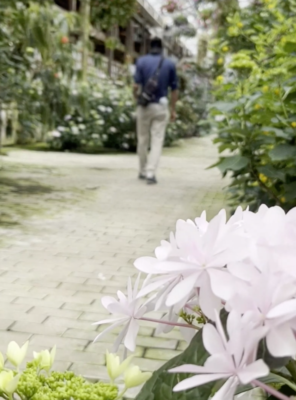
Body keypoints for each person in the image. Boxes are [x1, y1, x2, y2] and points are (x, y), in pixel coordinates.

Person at [133, 37, 178, 185]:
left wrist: (137, 99)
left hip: (144, 105)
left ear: (149, 47)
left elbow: (135, 86)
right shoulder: (169, 64)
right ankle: (151, 173)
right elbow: (174, 90)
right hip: (161, 106)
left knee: (142, 139)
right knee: (157, 140)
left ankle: (142, 170)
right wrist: (173, 110)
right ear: (162, 48)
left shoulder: (141, 61)